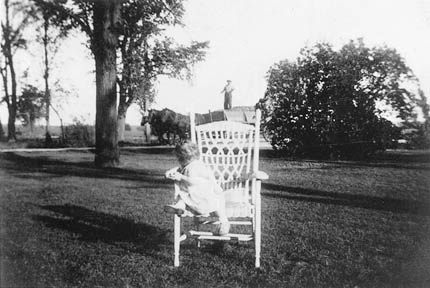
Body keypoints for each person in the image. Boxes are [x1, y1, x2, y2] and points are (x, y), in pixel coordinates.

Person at [164, 141, 230, 235]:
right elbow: (179, 169)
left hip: (203, 197)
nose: (179, 161)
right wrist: (170, 172)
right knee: (182, 195)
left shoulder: (196, 167)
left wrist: (181, 177)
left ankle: (223, 223)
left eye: (179, 159)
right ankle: (179, 207)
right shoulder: (188, 165)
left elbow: (194, 181)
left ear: (185, 158)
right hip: (193, 196)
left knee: (216, 204)